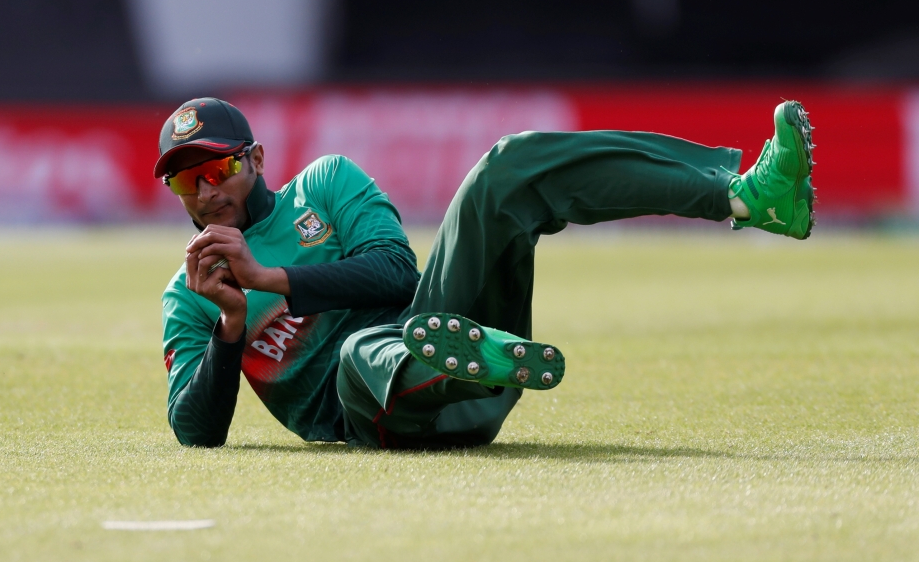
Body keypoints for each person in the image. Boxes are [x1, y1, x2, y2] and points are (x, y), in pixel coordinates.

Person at [157, 97, 815, 449]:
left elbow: (395, 272)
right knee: (361, 354)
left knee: (506, 166)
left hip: (442, 316)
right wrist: (231, 324)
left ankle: (744, 193)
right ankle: (462, 362)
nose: (207, 192)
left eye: (218, 169)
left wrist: (273, 278)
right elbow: (196, 430)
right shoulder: (192, 298)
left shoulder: (325, 184)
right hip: (384, 416)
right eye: (188, 180)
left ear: (257, 159)